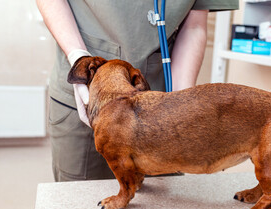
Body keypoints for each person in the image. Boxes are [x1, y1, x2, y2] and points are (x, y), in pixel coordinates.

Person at [36, 0, 239, 181]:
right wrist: (78, 56)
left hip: (158, 109)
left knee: (161, 205)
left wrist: (180, 105)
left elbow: (194, 26)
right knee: (80, 203)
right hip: (87, 91)